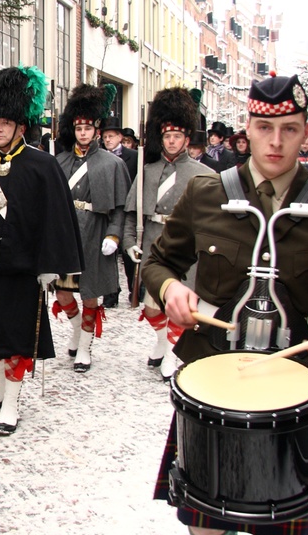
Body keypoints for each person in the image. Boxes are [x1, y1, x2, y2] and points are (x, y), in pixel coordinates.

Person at [143, 74, 308, 535]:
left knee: (280, 534)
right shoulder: (207, 194)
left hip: (298, 385)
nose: (276, 142)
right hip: (212, 378)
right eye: (264, 128)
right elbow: (157, 262)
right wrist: (170, 290)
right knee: (205, 521)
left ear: (306, 132)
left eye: (290, 130)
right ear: (246, 129)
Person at [0, 67, 84, 437]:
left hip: (23, 270)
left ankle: (12, 402)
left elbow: (58, 221)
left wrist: (53, 270)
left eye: (6, 123)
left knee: (16, 338)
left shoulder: (43, 165)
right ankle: (1, 385)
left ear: (21, 125)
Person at [123, 88, 212, 380]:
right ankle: (162, 341)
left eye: (177, 137)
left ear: (187, 139)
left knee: (179, 306)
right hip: (152, 244)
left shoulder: (204, 175)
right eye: (167, 137)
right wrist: (128, 243)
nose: (171, 141)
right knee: (151, 308)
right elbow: (131, 213)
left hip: (186, 248)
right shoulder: (147, 170)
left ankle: (172, 353)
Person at [51, 84, 131, 373]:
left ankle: (85, 346)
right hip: (65, 234)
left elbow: (121, 207)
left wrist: (114, 234)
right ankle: (76, 331)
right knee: (62, 293)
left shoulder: (112, 164)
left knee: (90, 293)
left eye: (87, 128)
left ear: (97, 130)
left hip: (95, 232)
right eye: (78, 128)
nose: (82, 133)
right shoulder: (59, 161)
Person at [100, 116, 138, 308]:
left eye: (112, 136)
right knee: (108, 254)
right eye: (105, 136)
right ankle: (111, 292)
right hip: (109, 210)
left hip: (128, 208)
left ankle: (134, 288)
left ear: (119, 137)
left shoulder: (134, 156)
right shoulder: (99, 158)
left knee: (127, 252)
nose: (108, 140)